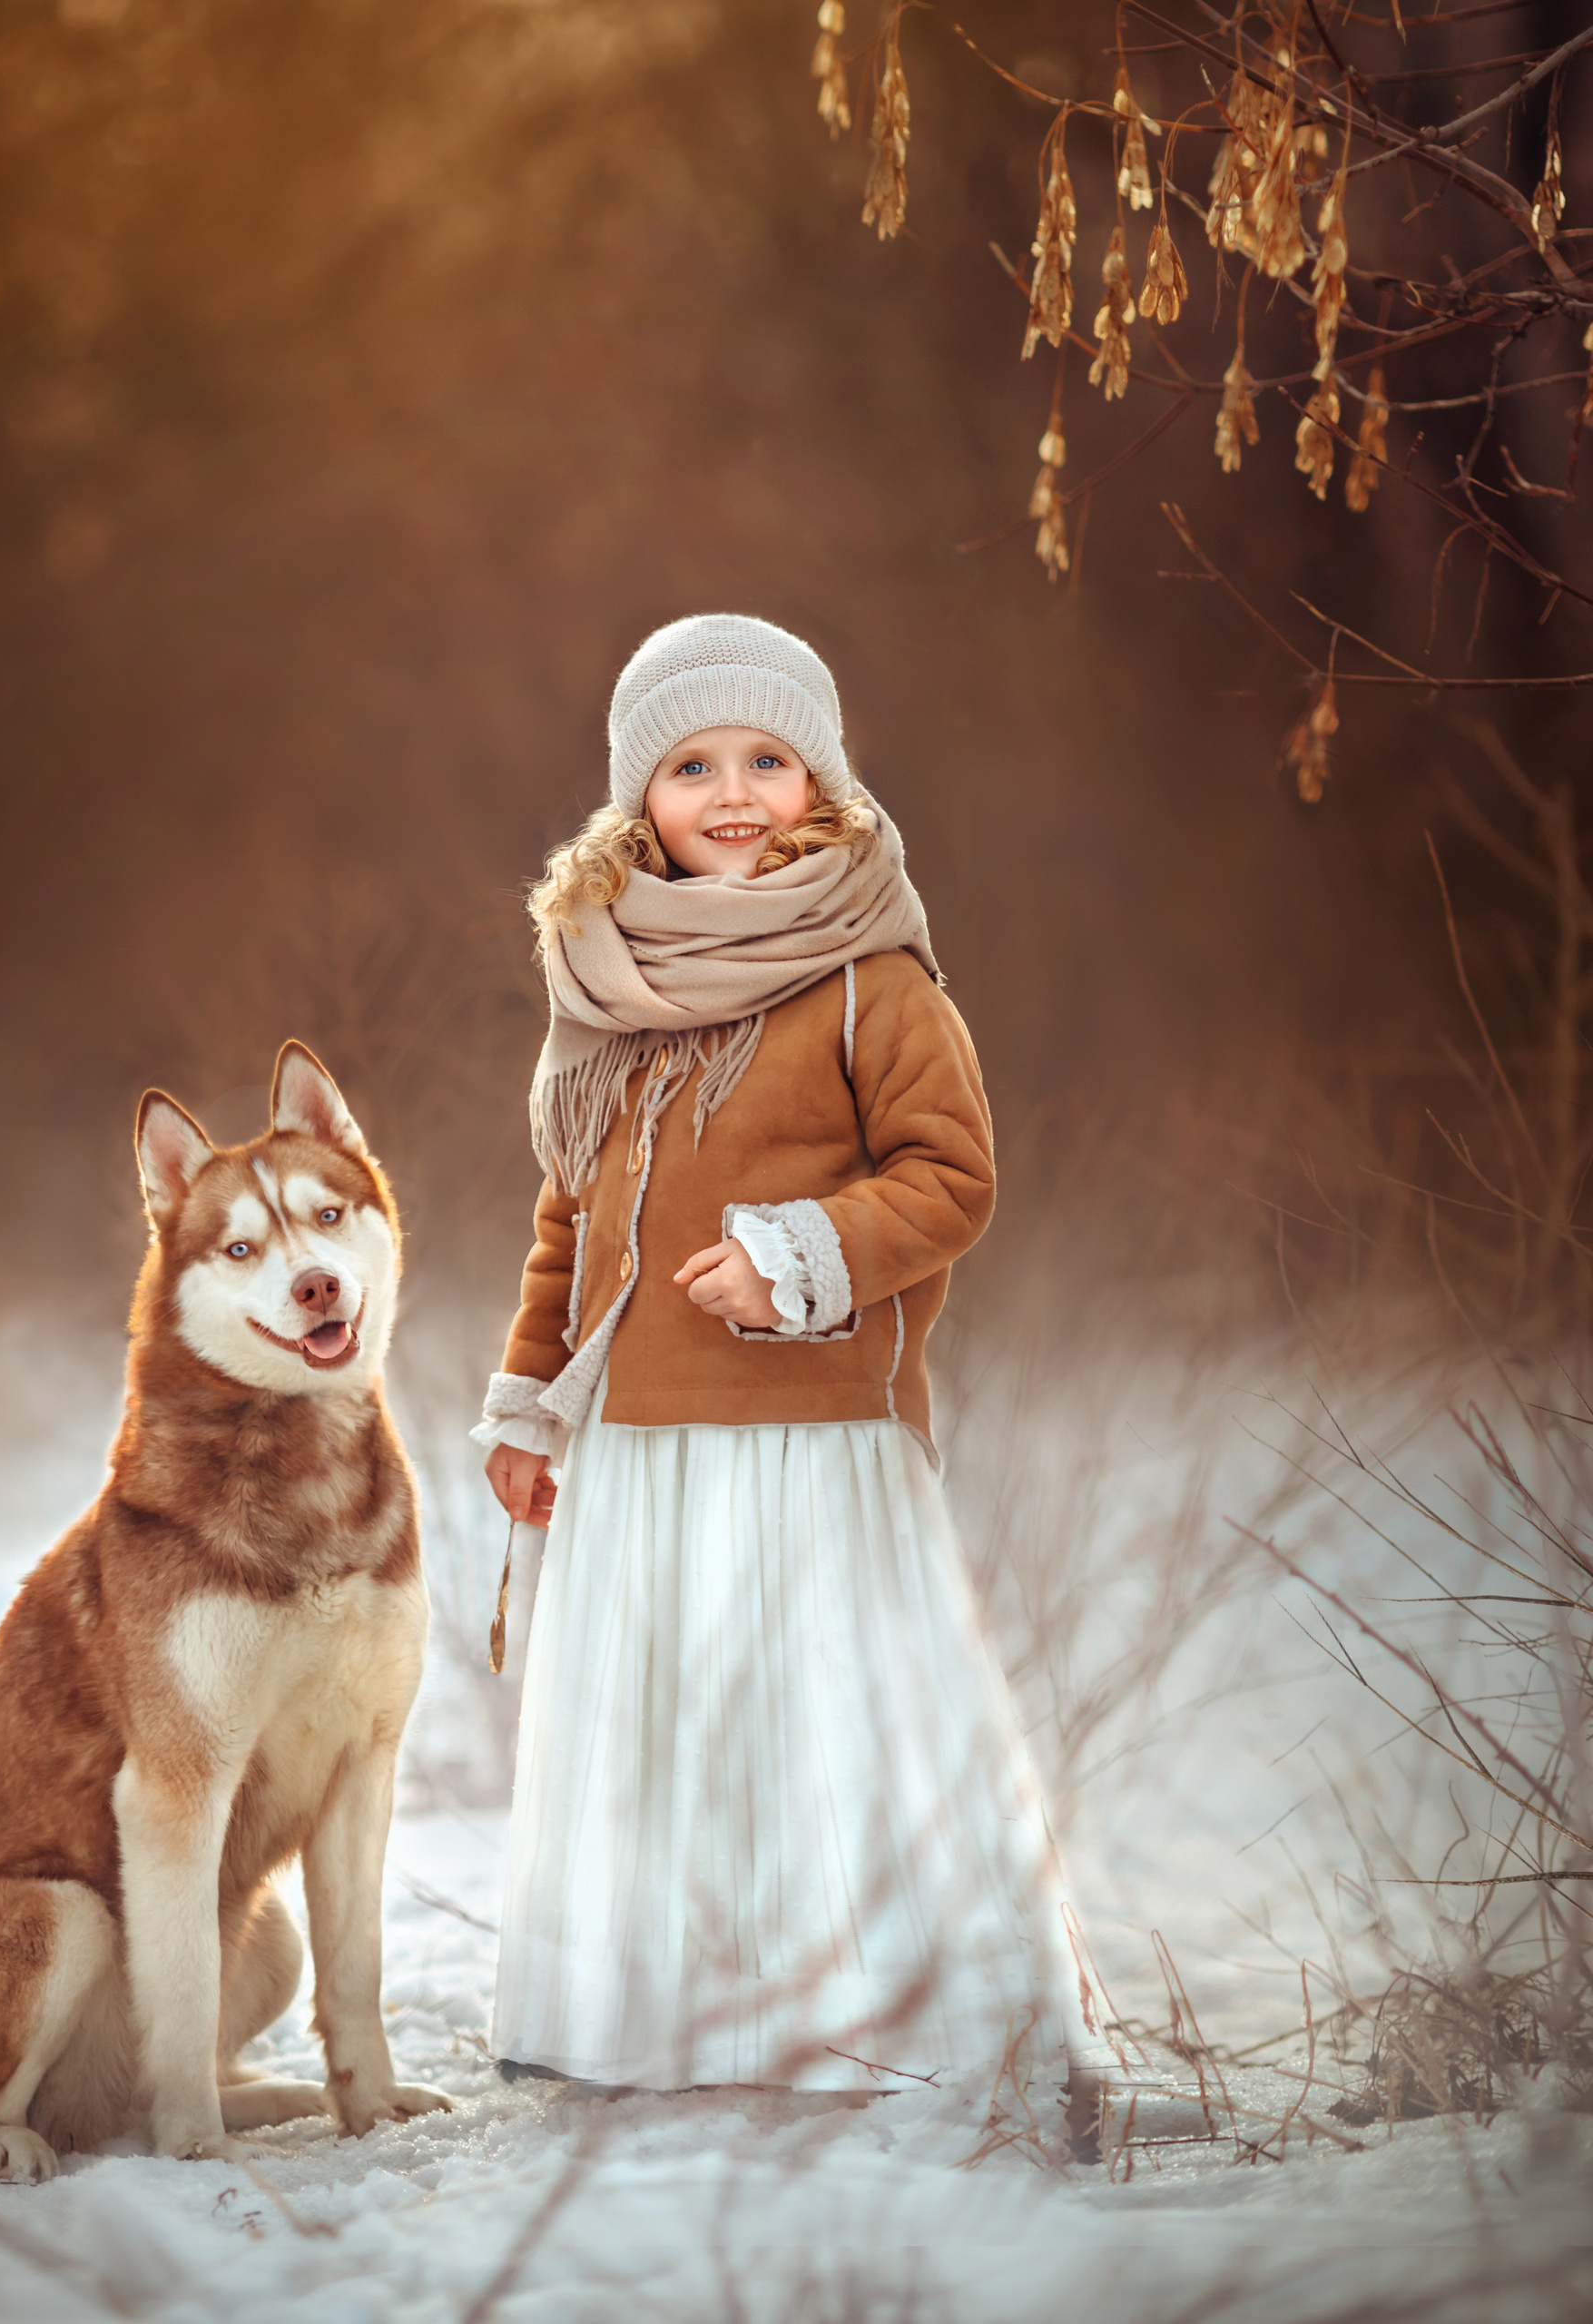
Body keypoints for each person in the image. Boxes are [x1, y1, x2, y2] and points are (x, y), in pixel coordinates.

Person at [472, 613, 1116, 2125]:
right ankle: (668, 2023)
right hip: (636, 1444)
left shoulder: (873, 979)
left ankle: (877, 2015)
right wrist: (527, 1401)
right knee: (662, 1728)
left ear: (823, 782)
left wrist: (800, 1253)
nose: (736, 790)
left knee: (827, 1717)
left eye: (770, 758)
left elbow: (952, 1178)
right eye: (694, 765)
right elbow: (569, 1220)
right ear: (643, 801)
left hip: (816, 1431)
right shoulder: (606, 985)